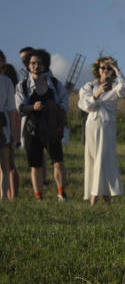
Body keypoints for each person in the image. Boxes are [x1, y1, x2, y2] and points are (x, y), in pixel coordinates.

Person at [77, 56, 125, 205]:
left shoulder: (116, 86)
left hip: (107, 126)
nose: (106, 71)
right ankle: (101, 196)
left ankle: (97, 196)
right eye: (103, 68)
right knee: (94, 160)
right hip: (92, 126)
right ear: (98, 69)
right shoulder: (89, 86)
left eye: (109, 68)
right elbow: (84, 105)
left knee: (104, 159)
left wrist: (117, 70)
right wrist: (98, 93)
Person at [16, 49, 69, 201]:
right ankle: (39, 197)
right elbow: (20, 107)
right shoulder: (23, 85)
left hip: (52, 128)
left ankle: (61, 193)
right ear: (28, 65)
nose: (36, 66)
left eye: (39, 63)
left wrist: (56, 108)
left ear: (45, 65)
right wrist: (33, 107)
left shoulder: (55, 83)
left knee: (58, 161)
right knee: (36, 165)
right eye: (33, 63)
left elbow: (65, 103)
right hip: (32, 128)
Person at [0, 63, 19, 199]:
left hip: (2, 123)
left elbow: (11, 108)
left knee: (5, 164)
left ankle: (4, 196)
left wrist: (12, 131)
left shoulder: (6, 82)